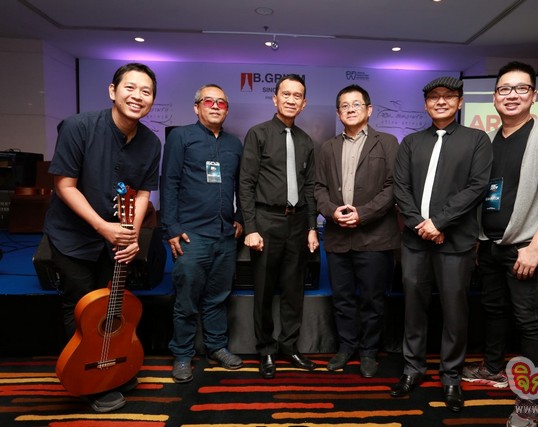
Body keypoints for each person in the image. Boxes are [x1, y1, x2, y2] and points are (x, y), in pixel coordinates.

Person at [43, 62, 161, 412]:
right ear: (113, 91)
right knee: (82, 305)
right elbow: (64, 185)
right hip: (73, 236)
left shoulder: (151, 142)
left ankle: (109, 363)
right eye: (130, 88)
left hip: (115, 240)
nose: (137, 96)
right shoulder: (79, 127)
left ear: (152, 100)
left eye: (146, 91)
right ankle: (88, 379)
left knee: (111, 303)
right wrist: (102, 226)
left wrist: (132, 235)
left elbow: (142, 193)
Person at [461, 62, 538, 427]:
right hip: (491, 244)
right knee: (493, 310)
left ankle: (530, 399)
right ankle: (493, 367)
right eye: (504, 89)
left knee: (529, 321)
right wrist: (479, 240)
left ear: (534, 95)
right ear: (494, 97)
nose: (512, 95)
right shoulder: (489, 140)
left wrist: (536, 247)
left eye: (521, 88)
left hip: (525, 247)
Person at [391, 76, 493, 412]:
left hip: (455, 241)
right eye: (434, 97)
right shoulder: (411, 142)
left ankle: (451, 377)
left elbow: (477, 187)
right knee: (413, 308)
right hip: (415, 242)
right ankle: (412, 369)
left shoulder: (477, 140)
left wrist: (439, 222)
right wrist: (422, 226)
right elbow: (401, 187)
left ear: (460, 102)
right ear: (425, 105)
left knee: (454, 311)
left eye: (448, 96)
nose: (441, 101)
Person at [161, 84, 244, 384]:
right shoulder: (181, 137)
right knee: (186, 300)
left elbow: (241, 185)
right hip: (191, 235)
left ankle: (216, 347)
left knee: (218, 297)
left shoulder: (235, 143)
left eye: (221, 102)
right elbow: (169, 182)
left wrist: (239, 217)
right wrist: (171, 228)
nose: (215, 106)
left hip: (224, 235)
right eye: (208, 101)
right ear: (196, 107)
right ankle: (183, 354)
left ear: (227, 110)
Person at [314, 84, 399, 378]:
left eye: (356, 104)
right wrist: (331, 211)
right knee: (343, 298)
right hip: (338, 236)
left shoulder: (387, 143)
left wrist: (363, 214)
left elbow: (393, 187)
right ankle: (346, 346)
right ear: (338, 113)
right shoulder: (327, 147)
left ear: (369, 109)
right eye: (345, 106)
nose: (350, 109)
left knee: (373, 300)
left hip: (375, 237)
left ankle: (369, 351)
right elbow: (319, 188)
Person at [238, 74, 319, 379]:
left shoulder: (306, 141)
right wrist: (250, 228)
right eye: (286, 94)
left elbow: (309, 188)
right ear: (275, 99)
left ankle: (289, 345)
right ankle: (266, 350)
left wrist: (312, 227)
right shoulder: (257, 134)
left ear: (304, 103)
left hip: (297, 222)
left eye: (297, 96)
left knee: (293, 289)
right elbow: (246, 184)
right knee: (264, 289)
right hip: (265, 220)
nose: (291, 100)